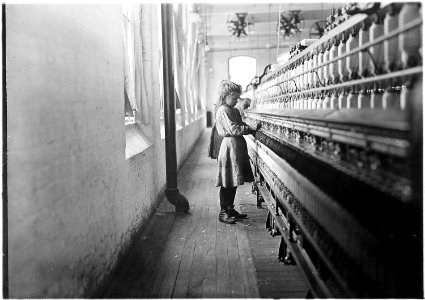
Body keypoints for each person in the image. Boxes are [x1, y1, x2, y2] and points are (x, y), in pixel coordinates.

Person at [214, 80, 261, 224]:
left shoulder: (233, 110)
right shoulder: (223, 110)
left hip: (237, 147)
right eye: (234, 98)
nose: (236, 101)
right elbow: (234, 129)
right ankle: (223, 212)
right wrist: (250, 129)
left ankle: (230, 208)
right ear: (225, 95)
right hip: (229, 148)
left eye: (237, 98)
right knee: (227, 181)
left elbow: (240, 124)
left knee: (233, 180)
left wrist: (249, 125)